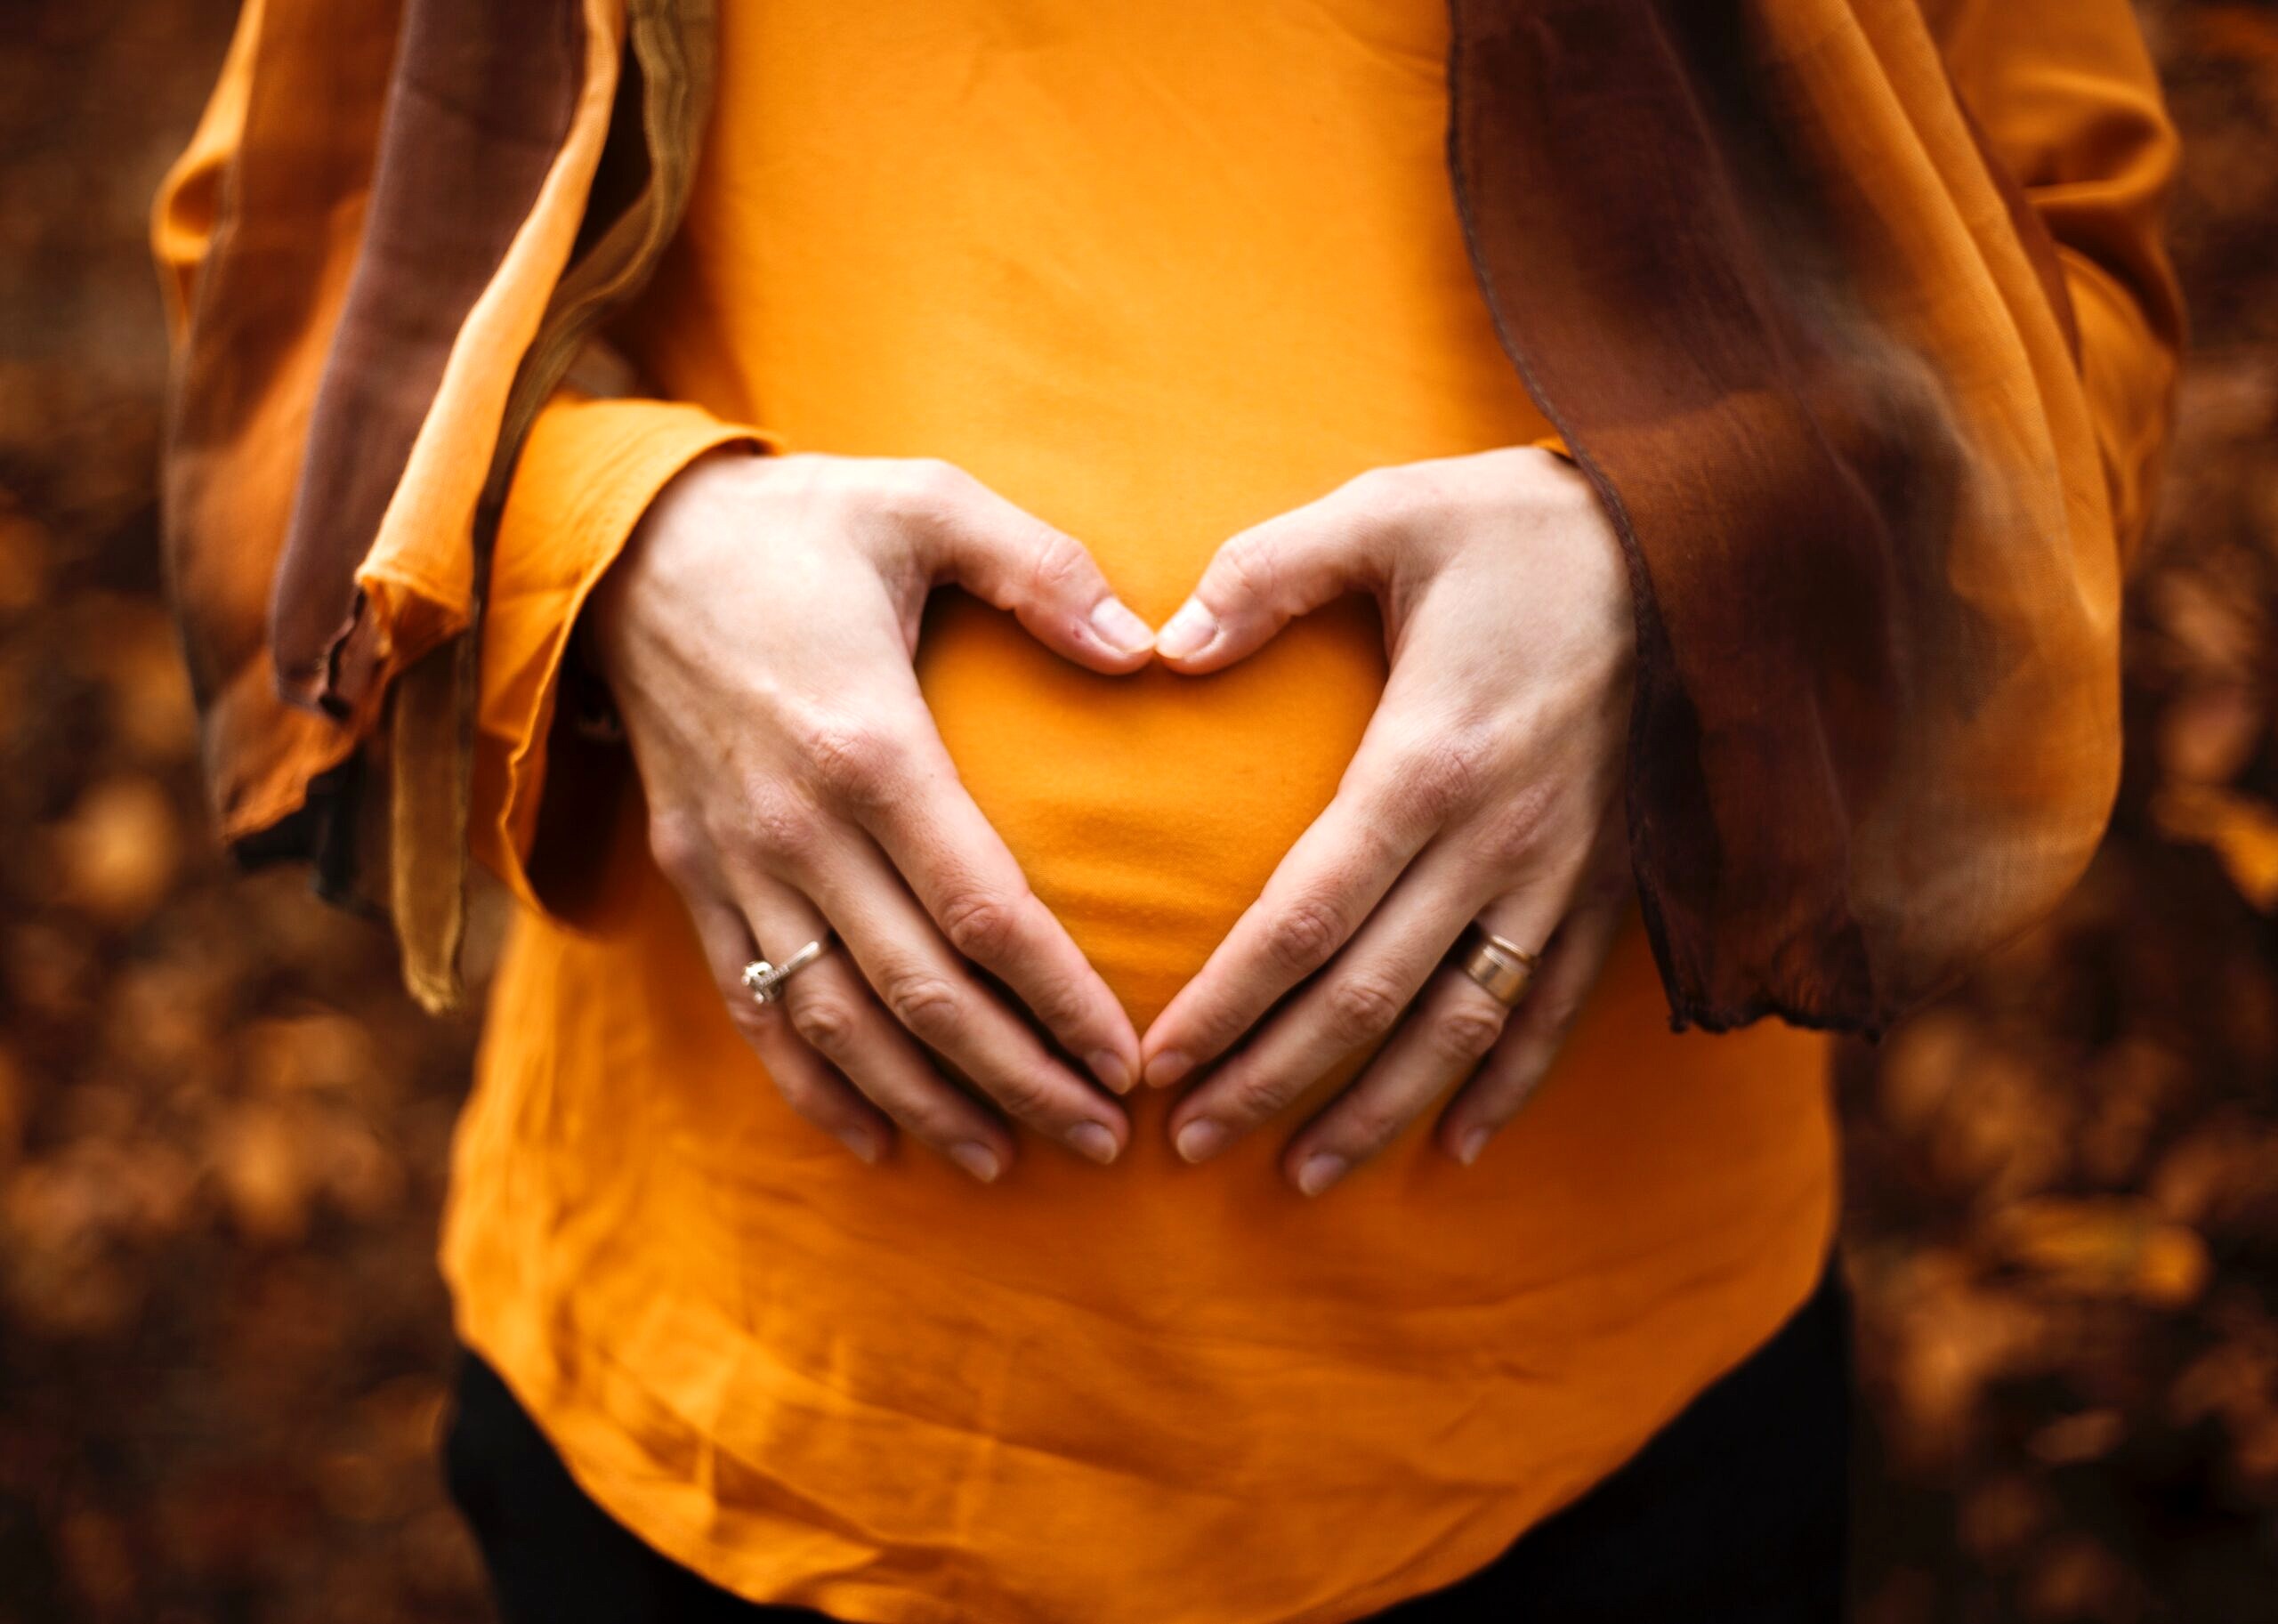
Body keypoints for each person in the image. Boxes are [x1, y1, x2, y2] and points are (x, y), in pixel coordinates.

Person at [153, 1, 2181, 1620]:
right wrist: (613, 551)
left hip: (1585, 1434)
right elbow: (300, 283)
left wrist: (1677, 569)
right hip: (730, 1423)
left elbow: (2058, 305)